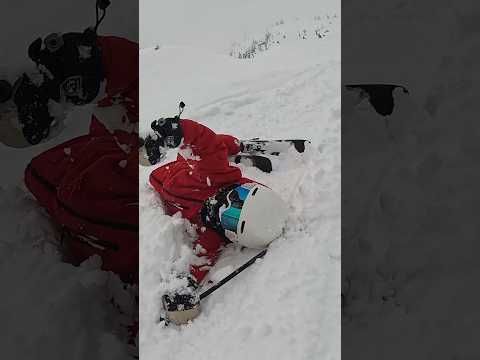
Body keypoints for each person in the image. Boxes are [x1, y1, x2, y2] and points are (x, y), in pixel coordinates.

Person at [14, 29, 139, 284]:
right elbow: (133, 68)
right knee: (41, 172)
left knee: (84, 204)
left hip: (138, 173)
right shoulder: (127, 86)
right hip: (114, 153)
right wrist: (95, 61)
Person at [146, 116, 289, 324]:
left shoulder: (214, 232)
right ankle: (237, 146)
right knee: (219, 147)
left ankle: (230, 150)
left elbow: (202, 258)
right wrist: (180, 130)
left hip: (167, 180)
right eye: (235, 199)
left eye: (230, 218)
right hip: (185, 169)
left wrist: (185, 287)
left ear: (233, 234)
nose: (223, 207)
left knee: (208, 153)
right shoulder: (218, 176)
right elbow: (207, 142)